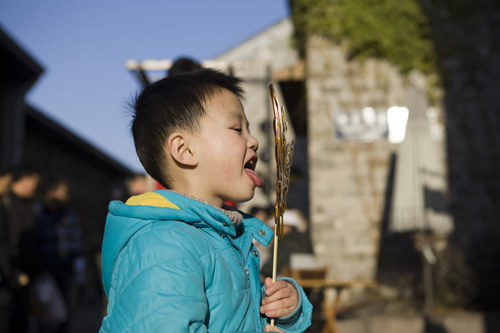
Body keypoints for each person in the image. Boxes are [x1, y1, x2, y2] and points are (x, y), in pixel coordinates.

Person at [99, 69, 312, 332]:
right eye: (237, 129)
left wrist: (285, 311)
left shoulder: (225, 236)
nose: (254, 141)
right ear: (185, 150)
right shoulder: (164, 245)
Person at [4, 166, 41, 333]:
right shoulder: (6, 203)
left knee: (22, 320)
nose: (36, 187)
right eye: (34, 182)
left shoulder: (30, 204)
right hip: (10, 270)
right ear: (23, 179)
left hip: (26, 272)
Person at [261, 209, 314, 279]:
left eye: (274, 228)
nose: (272, 231)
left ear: (286, 227)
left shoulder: (284, 242)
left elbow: (270, 268)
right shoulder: (305, 240)